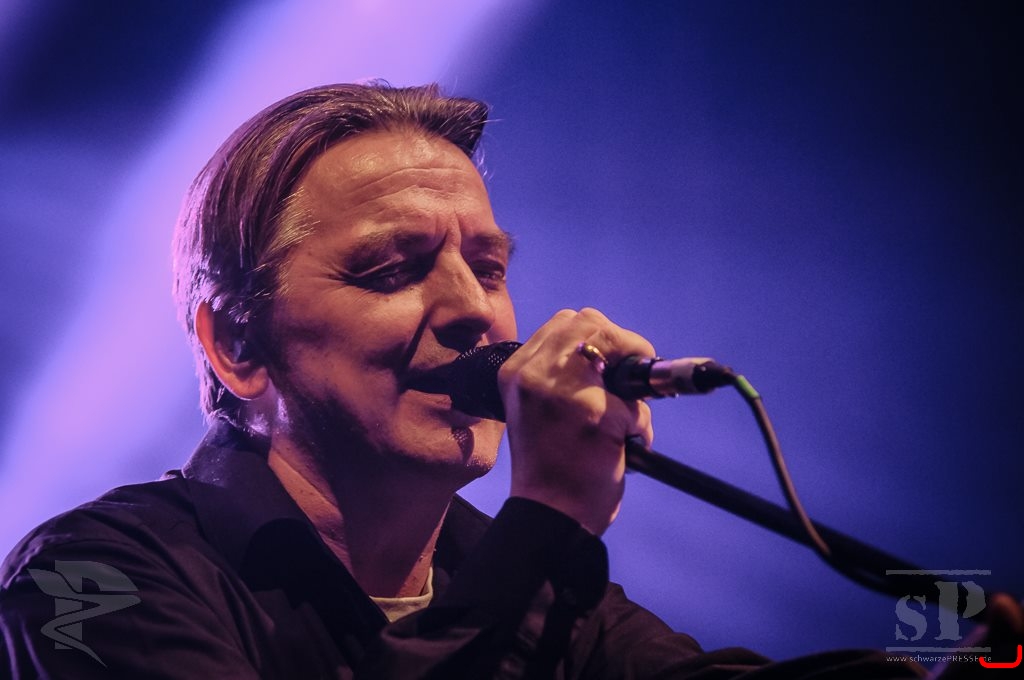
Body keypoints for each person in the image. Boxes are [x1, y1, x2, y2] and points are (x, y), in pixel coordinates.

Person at [0, 83, 1015, 678]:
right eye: (390, 270)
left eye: (488, 268)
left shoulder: (513, 578)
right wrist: (548, 520)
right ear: (236, 344)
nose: (476, 312)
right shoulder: (88, 575)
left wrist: (969, 653)